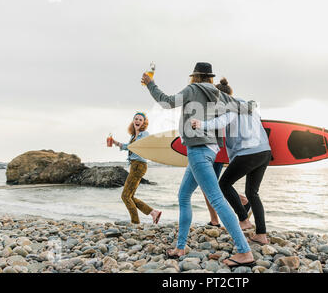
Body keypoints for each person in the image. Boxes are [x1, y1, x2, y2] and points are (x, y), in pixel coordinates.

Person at [141, 62, 255, 268]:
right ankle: (180, 247)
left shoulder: (192, 89)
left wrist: (150, 84)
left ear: (194, 76)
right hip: (211, 150)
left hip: (198, 150)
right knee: (184, 195)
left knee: (217, 200)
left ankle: (244, 251)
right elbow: (245, 108)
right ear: (210, 78)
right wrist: (252, 104)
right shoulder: (219, 94)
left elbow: (166, 102)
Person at [191, 78, 272, 245]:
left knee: (224, 184)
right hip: (264, 151)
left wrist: (201, 124)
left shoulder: (229, 107)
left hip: (247, 153)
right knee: (252, 193)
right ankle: (261, 235)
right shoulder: (248, 107)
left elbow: (222, 122)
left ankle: (243, 219)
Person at [112, 112, 162, 225]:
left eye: (140, 119)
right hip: (134, 165)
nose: (138, 121)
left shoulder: (144, 134)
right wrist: (116, 143)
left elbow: (148, 144)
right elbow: (128, 147)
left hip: (139, 165)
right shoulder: (133, 136)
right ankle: (153, 212)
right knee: (130, 196)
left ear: (144, 123)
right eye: (136, 119)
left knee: (125, 196)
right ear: (133, 121)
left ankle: (135, 222)